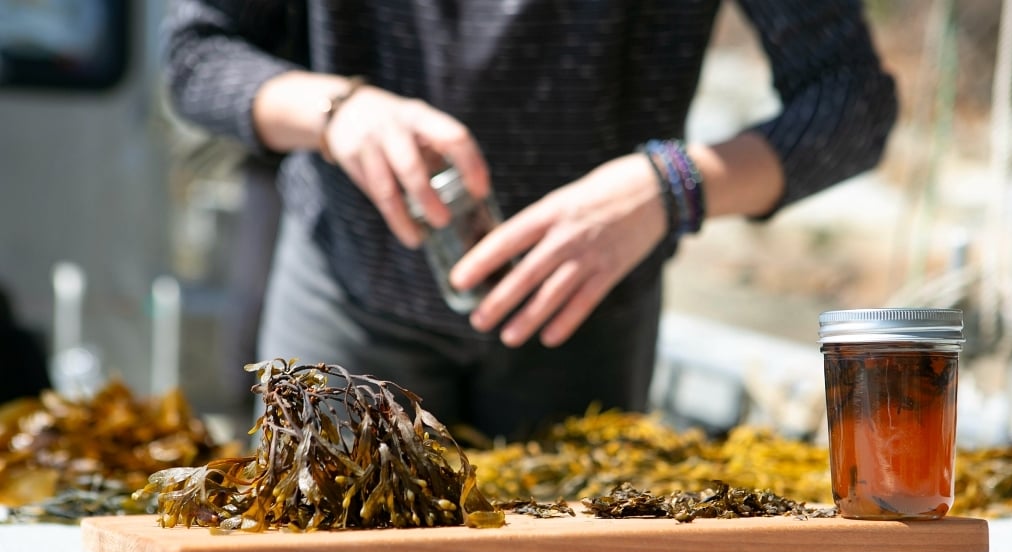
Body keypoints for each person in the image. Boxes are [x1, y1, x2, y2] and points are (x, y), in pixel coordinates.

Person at [163, 0, 897, 441]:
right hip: (347, 295)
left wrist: (669, 187)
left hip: (587, 317)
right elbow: (196, 54)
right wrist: (335, 112)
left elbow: (851, 100)